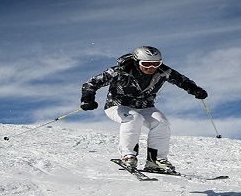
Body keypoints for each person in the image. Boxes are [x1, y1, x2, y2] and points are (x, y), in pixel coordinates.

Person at [80, 46, 208, 173]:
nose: (151, 68)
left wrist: (195, 90)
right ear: (136, 62)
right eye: (146, 64)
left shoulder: (163, 71)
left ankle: (155, 160)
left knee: (162, 123)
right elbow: (91, 83)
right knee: (134, 119)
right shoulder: (119, 71)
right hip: (117, 105)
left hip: (145, 106)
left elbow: (182, 81)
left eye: (156, 64)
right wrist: (87, 99)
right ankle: (128, 156)